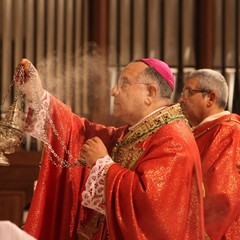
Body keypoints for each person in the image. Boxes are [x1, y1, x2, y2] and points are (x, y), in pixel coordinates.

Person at [15, 58, 205, 240]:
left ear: (150, 92)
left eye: (124, 83)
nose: (114, 91)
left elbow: (151, 206)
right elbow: (80, 131)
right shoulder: (139, 131)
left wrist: (104, 167)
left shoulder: (173, 139)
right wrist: (38, 94)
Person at [178, 69, 240, 239]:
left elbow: (222, 197)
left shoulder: (230, 132)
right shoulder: (201, 132)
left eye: (189, 92)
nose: (181, 99)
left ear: (210, 98)